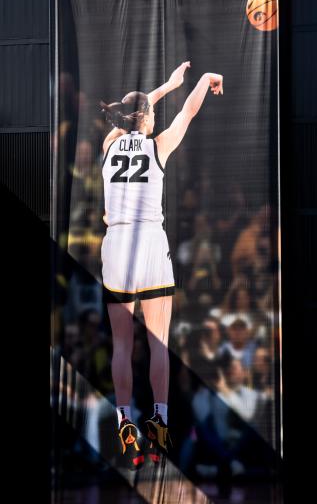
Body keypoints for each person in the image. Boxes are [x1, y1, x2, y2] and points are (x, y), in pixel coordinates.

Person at [100, 61, 224, 469]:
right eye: (151, 113)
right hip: (151, 245)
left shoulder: (109, 144)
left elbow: (132, 115)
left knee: (121, 344)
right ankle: (160, 422)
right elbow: (188, 110)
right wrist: (200, 81)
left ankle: (123, 421)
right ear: (149, 120)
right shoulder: (159, 145)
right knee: (158, 344)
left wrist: (160, 90)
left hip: (117, 245)